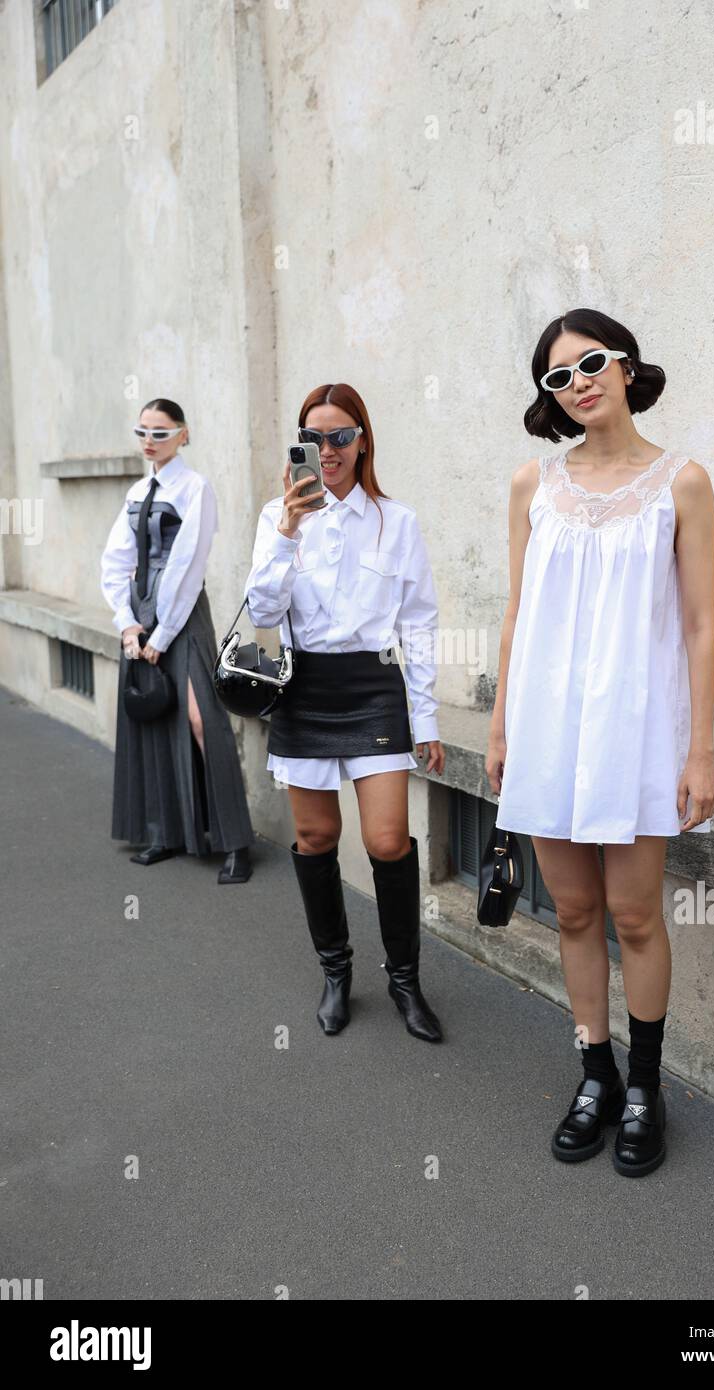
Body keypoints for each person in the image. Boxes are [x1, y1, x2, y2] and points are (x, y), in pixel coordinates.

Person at [487, 309, 714, 1176]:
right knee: (574, 912)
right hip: (548, 732)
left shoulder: (681, 483)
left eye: (589, 363)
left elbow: (699, 625)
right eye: (557, 377)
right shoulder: (532, 486)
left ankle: (647, 1087)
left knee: (634, 915)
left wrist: (699, 750)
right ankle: (595, 1072)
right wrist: (504, 725)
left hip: (635, 733)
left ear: (625, 366)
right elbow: (515, 618)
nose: (577, 382)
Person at [244, 383, 446, 1041]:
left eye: (340, 437)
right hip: (306, 690)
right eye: (313, 438)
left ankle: (405, 980)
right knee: (316, 838)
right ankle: (336, 972)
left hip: (375, 688)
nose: (326, 450)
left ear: (363, 441)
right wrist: (286, 532)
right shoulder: (280, 515)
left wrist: (428, 720)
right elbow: (265, 613)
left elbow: (418, 624)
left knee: (387, 840)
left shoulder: (398, 521)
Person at [101, 398, 254, 884]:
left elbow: (189, 565)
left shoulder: (195, 488)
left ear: (183, 434)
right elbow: (115, 562)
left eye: (160, 432)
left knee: (201, 719)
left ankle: (234, 842)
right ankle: (163, 831)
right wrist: (127, 623)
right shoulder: (135, 491)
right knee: (151, 712)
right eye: (142, 431)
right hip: (139, 616)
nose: (150, 440)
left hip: (182, 618)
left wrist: (163, 633)